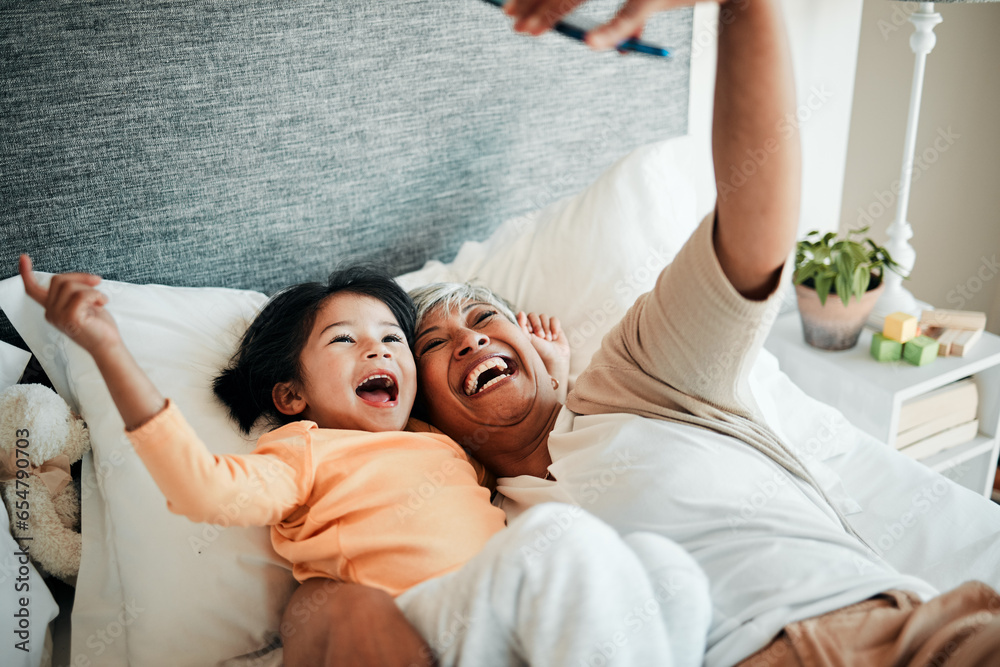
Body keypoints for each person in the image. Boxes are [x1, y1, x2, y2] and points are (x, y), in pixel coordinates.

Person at [311, 0, 1000, 665]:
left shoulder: (637, 377)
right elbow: (330, 580)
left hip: (893, 632)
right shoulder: (468, 523)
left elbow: (753, 233)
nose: (470, 340)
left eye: (486, 317)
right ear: (427, 415)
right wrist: (345, 610)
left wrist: (743, 6)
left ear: (543, 348)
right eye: (433, 345)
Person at [17, 257, 712, 667]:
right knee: (564, 544)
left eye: (392, 338)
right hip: (417, 622)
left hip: (505, 623)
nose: (379, 351)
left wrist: (549, 376)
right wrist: (108, 348)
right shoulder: (303, 450)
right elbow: (205, 490)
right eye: (345, 341)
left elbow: (521, 446)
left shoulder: (440, 442)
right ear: (291, 394)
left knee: (671, 574)